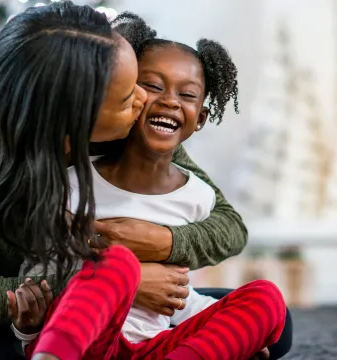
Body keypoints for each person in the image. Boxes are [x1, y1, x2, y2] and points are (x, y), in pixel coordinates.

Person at [16, 12, 287, 360]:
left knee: (268, 301)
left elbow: (207, 259)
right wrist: (129, 281)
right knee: (117, 263)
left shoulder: (196, 194)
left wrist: (166, 243)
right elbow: (39, 273)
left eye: (186, 94)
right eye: (152, 86)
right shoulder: (73, 182)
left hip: (155, 344)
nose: (169, 101)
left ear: (201, 117)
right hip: (87, 340)